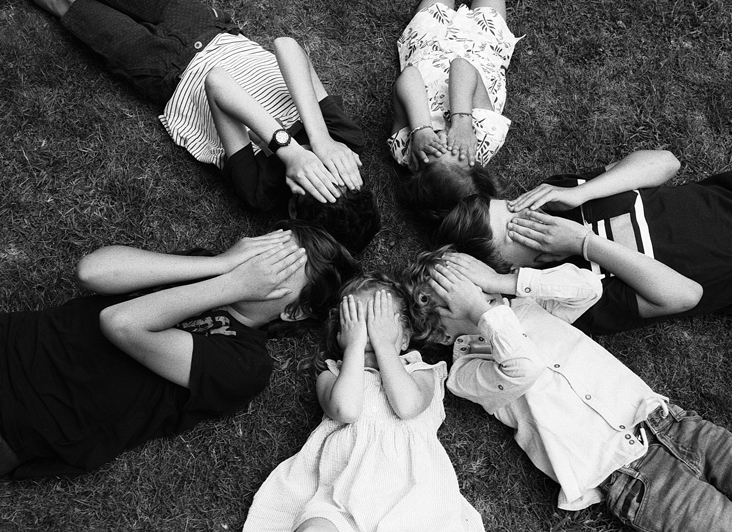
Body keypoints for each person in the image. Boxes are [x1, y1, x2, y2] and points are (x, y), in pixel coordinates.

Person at [402, 247, 732, 532]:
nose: (483, 299)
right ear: (439, 331)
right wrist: (483, 312)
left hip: (676, 426)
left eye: (478, 288)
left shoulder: (527, 308)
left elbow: (587, 286)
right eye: (462, 300)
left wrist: (501, 282)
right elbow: (523, 367)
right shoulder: (465, 372)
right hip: (634, 479)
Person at [0, 220, 360, 479]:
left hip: (28, 417)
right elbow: (92, 271)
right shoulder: (205, 267)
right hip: (14, 337)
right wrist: (218, 265)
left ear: (293, 310)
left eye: (278, 270)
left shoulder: (247, 363)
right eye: (266, 251)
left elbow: (121, 323)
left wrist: (233, 284)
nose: (257, 266)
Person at [31, 0, 380, 255]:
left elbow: (218, 83)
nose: (319, 168)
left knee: (68, 7)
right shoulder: (342, 140)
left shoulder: (261, 190)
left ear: (293, 209)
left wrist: (288, 152)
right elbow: (286, 46)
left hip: (164, 71)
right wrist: (319, 139)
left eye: (314, 180)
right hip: (206, 28)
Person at [434, 149, 732, 333]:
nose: (529, 215)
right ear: (517, 267)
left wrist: (583, 192)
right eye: (516, 230)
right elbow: (686, 295)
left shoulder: (560, 199)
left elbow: (665, 163)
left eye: (514, 208)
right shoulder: (573, 296)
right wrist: (584, 244)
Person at [243, 274, 484, 532]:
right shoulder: (332, 375)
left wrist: (384, 347)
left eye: (379, 323)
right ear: (341, 336)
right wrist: (354, 347)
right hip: (339, 496)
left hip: (413, 498)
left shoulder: (421, 372)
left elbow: (407, 406)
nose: (369, 333)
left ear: (404, 339)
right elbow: (346, 410)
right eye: (356, 323)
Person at [387, 0, 520, 222]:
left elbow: (409, 76)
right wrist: (462, 123)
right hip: (483, 45)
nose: (443, 137)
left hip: (428, 42)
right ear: (474, 162)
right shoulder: (484, 138)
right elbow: (462, 65)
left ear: (416, 164)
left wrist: (421, 129)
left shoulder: (406, 149)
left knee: (434, 7)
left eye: (434, 148)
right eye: (453, 146)